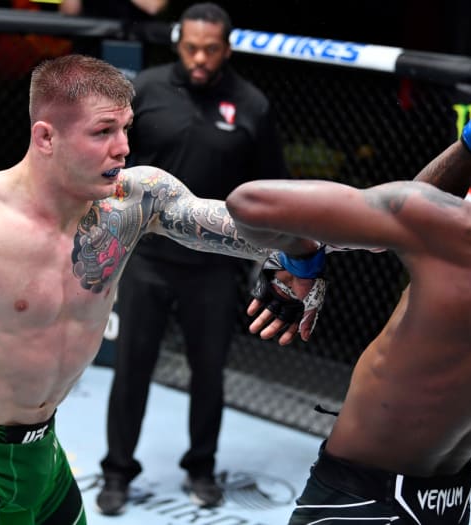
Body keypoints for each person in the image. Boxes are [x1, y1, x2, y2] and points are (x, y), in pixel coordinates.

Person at [0, 54, 325, 525]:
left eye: (126, 128)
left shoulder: (133, 201)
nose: (123, 148)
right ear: (46, 137)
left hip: (41, 453)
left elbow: (240, 226)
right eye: (103, 132)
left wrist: (304, 253)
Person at [225, 59, 471, 524]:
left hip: (359, 504)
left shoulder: (460, 231)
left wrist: (303, 260)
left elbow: (249, 203)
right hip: (445, 504)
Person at [94, 2, 291, 514]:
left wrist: (273, 256)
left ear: (227, 49)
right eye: (191, 48)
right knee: (131, 367)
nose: (200, 58)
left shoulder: (252, 105)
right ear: (178, 43)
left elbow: (272, 187)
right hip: (147, 258)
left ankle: (201, 468)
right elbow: (112, 160)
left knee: (209, 372)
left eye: (210, 49)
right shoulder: (147, 89)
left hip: (214, 266)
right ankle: (117, 471)